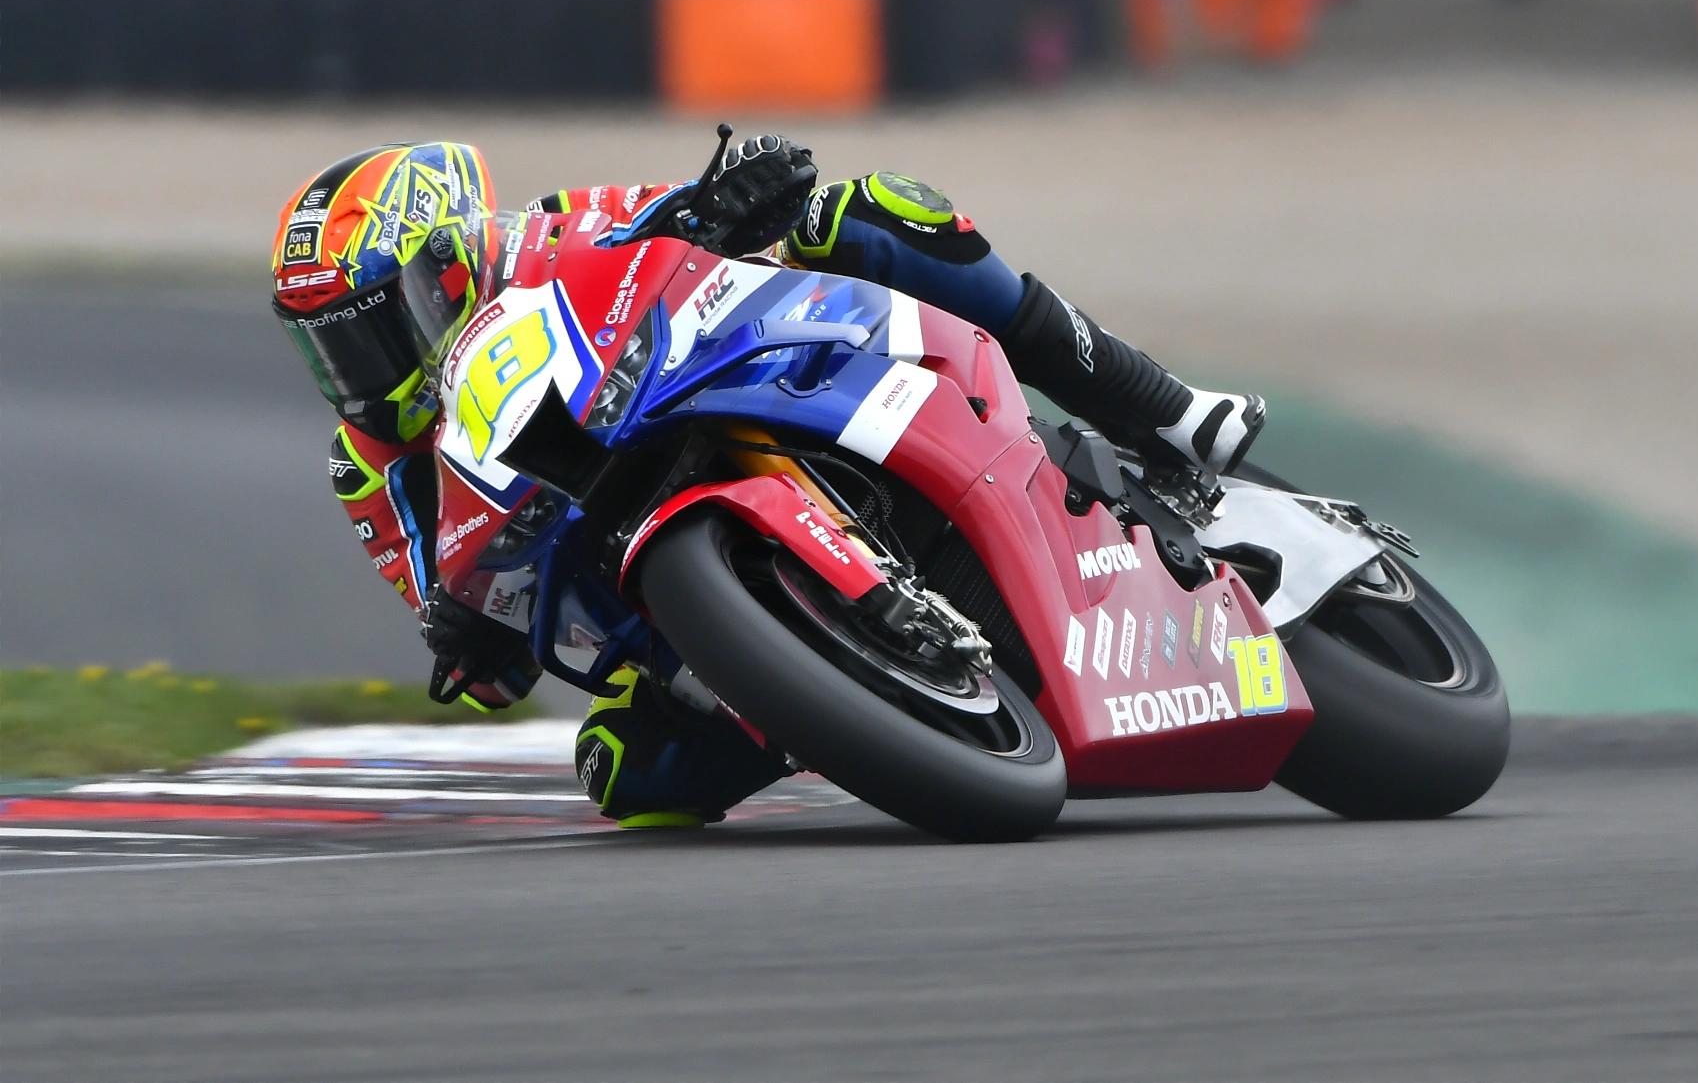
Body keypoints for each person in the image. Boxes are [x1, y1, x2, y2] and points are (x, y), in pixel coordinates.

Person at [270, 135, 1265, 827]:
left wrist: (736, 195)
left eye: (368, 328)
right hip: (627, 576)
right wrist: (466, 640)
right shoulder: (365, 471)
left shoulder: (538, 234)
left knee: (868, 215)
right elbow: (477, 647)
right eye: (329, 353)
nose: (355, 375)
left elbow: (670, 216)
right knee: (623, 772)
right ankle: (827, 693)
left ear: (440, 264)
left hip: (738, 385)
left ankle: (1165, 408)